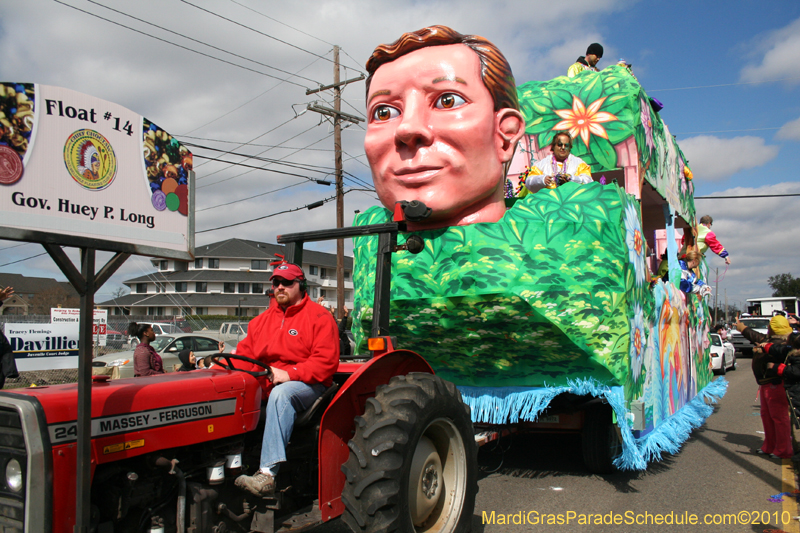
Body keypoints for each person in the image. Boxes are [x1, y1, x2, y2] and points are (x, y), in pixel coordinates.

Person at [364, 25, 526, 230]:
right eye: (384, 113)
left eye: (447, 101)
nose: (407, 129)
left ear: (505, 134)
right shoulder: (368, 248)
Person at [234, 263, 339, 496]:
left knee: (283, 393)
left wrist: (289, 374)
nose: (280, 287)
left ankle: (267, 474)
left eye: (287, 282)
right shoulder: (261, 321)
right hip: (268, 384)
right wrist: (219, 370)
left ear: (300, 285)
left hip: (308, 385)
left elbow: (325, 362)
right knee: (231, 390)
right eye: (276, 283)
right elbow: (244, 356)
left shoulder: (319, 317)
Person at [736, 314, 794, 459]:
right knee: (767, 416)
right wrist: (743, 328)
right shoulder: (772, 340)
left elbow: (762, 341)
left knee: (779, 418)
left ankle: (783, 449)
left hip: (776, 384)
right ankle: (770, 446)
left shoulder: (783, 345)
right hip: (766, 384)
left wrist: (763, 349)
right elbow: (756, 337)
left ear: (772, 329)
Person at [521, 132, 593, 194]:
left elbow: (589, 182)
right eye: (560, 145)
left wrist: (571, 179)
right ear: (553, 146)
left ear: (570, 147)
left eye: (566, 145)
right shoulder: (543, 164)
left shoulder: (579, 163)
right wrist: (543, 179)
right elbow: (529, 182)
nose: (563, 147)